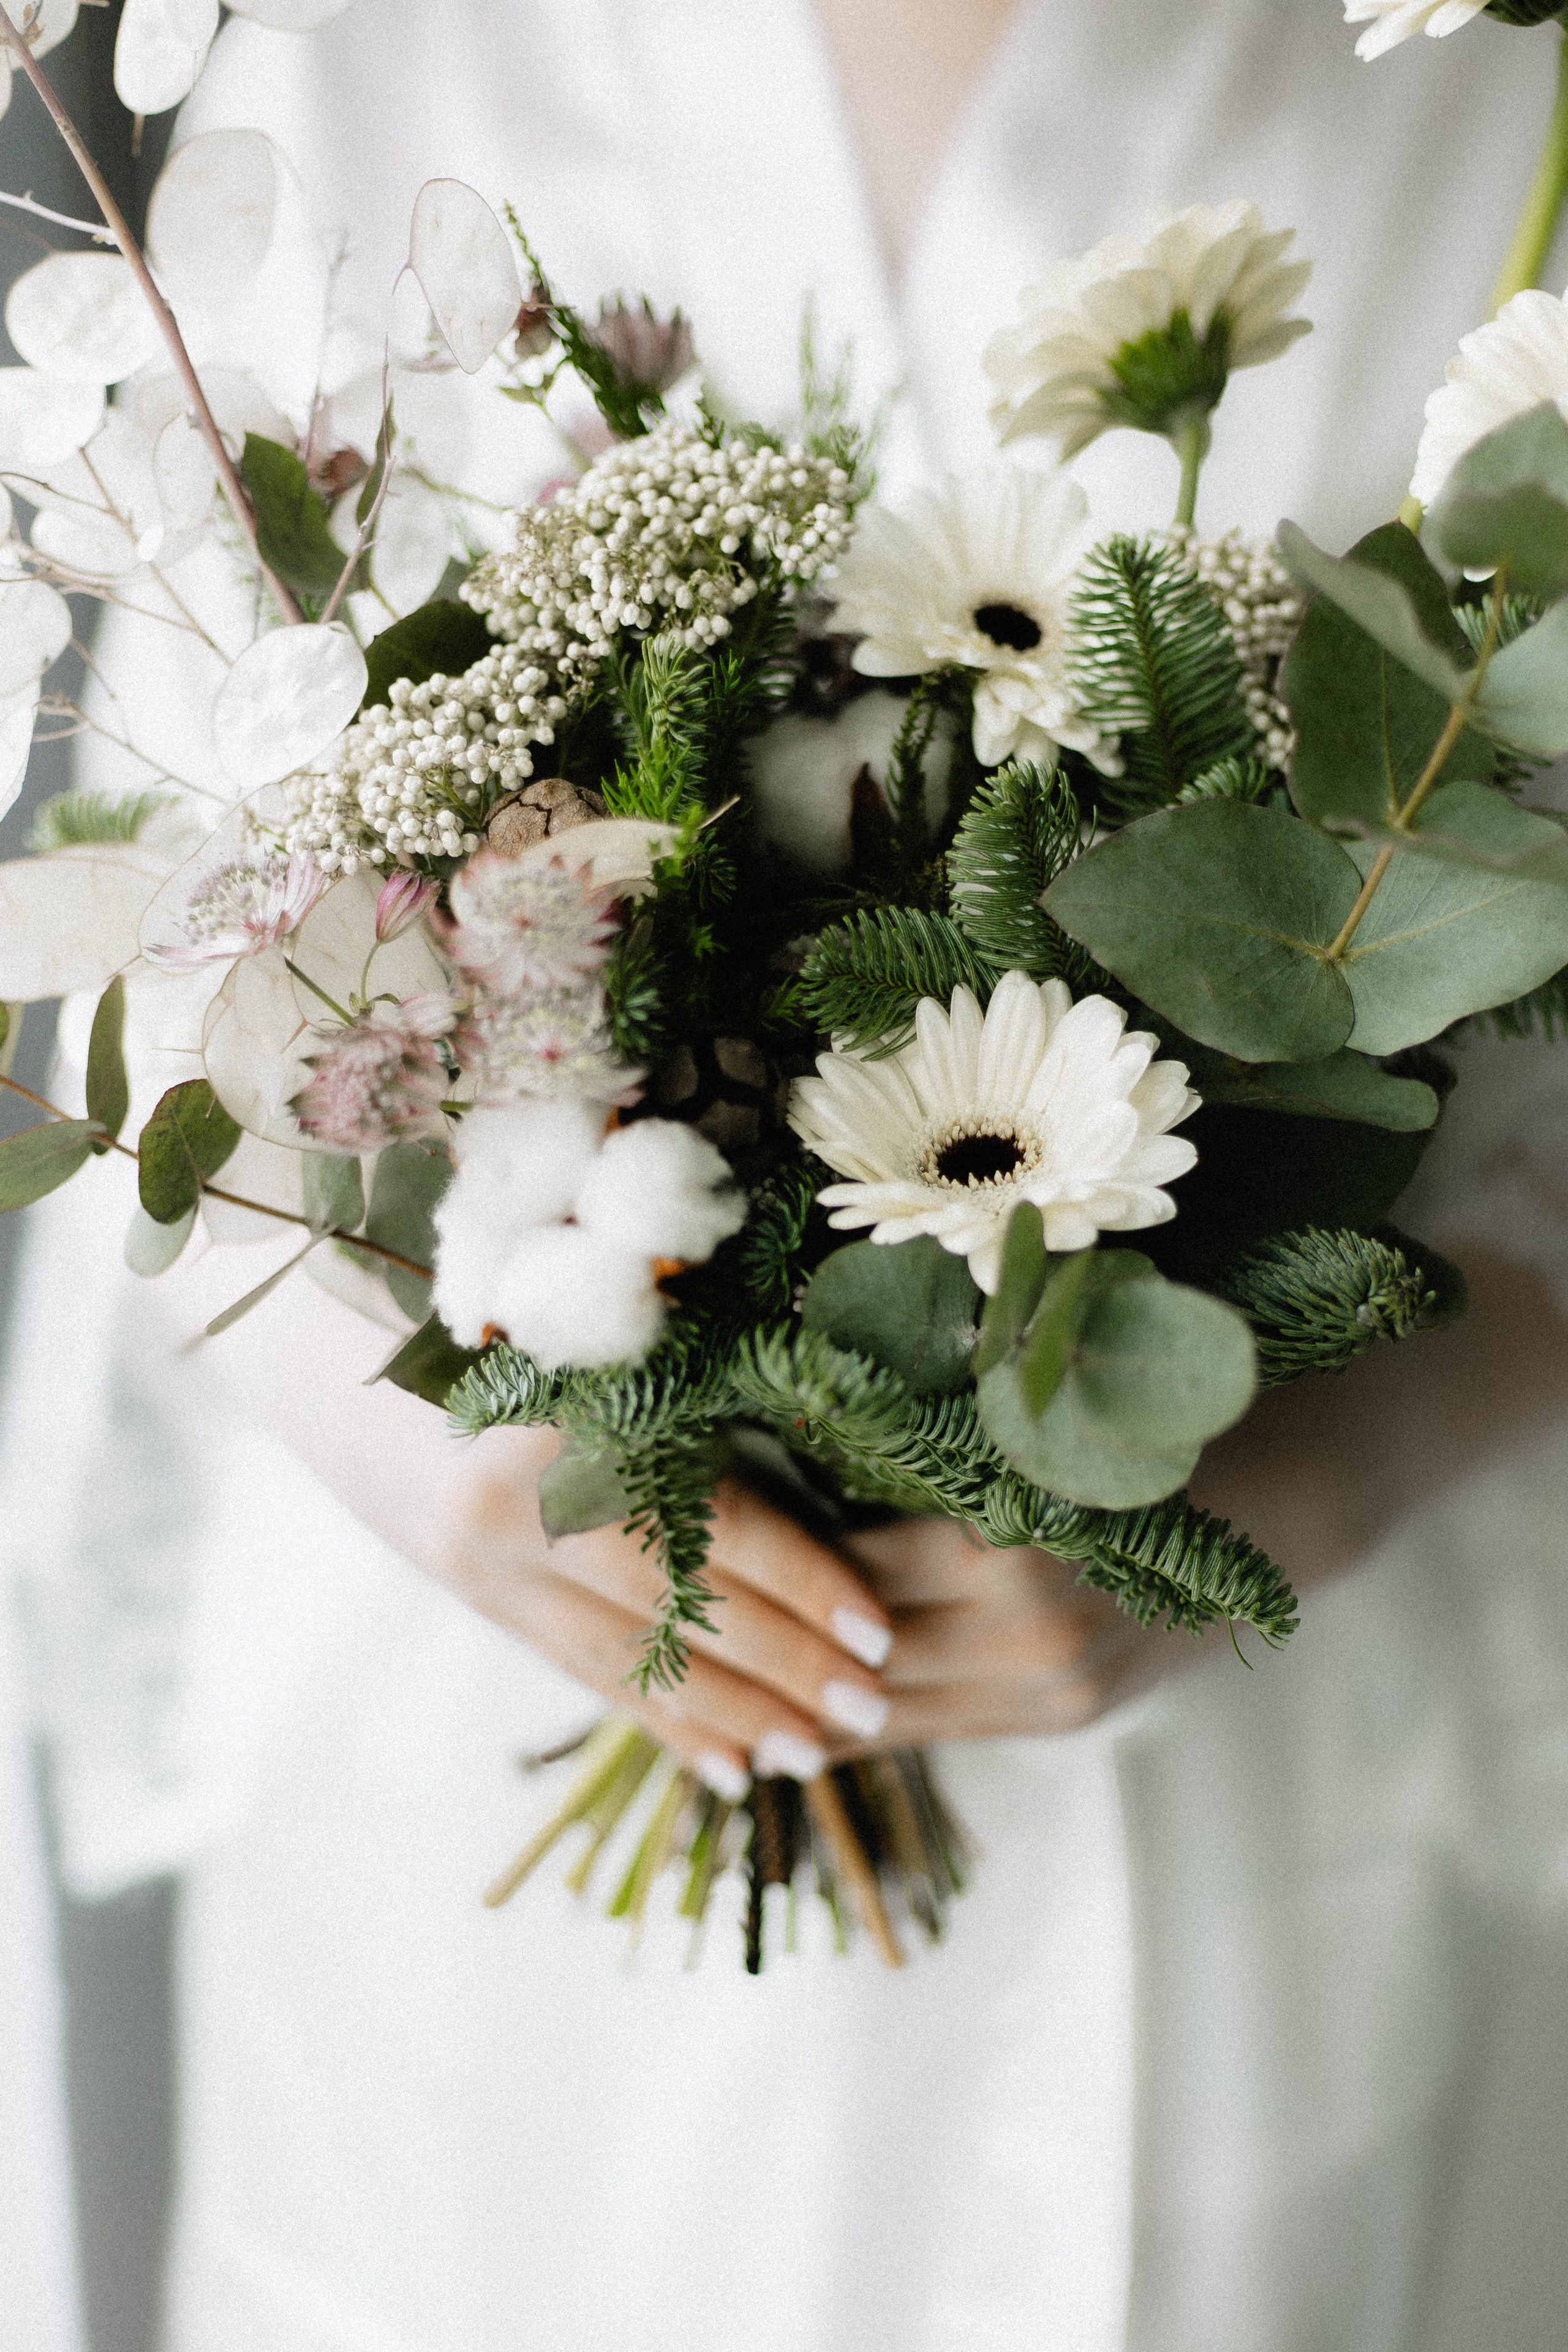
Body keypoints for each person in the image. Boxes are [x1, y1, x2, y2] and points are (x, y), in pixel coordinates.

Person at [9, 2, 1568, 2345]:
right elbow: (153, 954)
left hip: (1250, 1800)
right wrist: (464, 1474)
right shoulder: (352, 51)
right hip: (471, 1836)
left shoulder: (1488, 99)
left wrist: (1305, 1478)